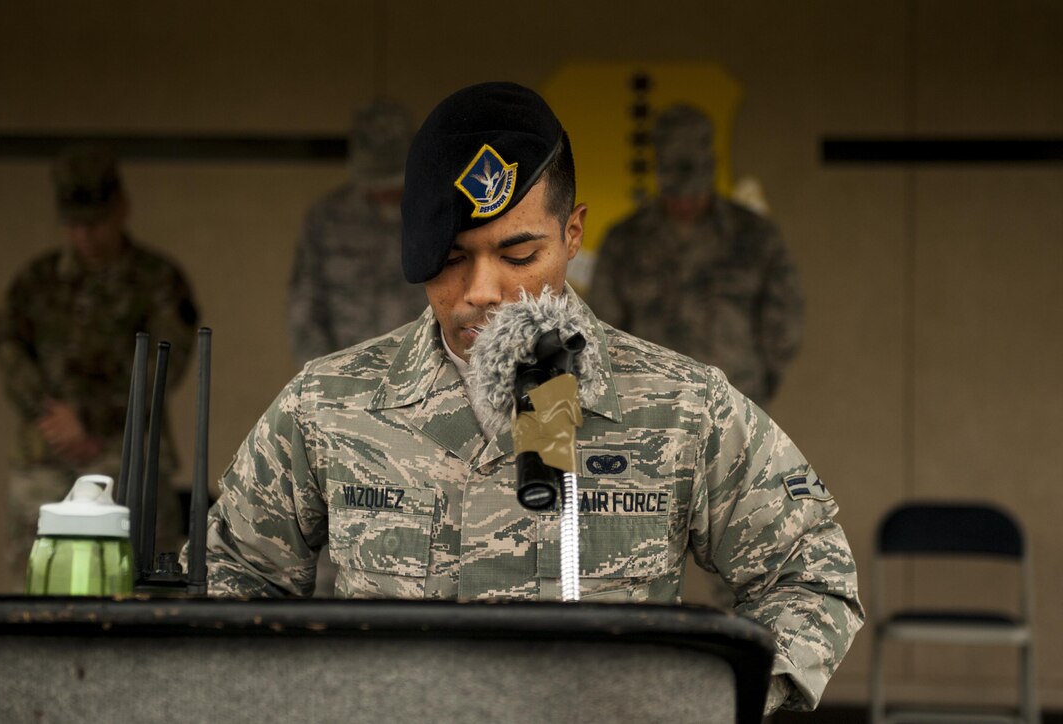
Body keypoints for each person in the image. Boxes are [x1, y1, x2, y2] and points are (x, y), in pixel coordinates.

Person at [197, 83, 862, 714]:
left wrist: (705, 705)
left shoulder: (682, 406)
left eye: (519, 254)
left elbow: (812, 573)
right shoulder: (330, 404)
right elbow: (232, 575)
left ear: (573, 234)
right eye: (453, 257)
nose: (483, 289)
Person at [0, 144, 198, 590]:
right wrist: (49, 414)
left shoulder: (157, 278)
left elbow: (167, 363)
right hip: (45, 457)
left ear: (122, 209)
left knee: (137, 582)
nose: (85, 236)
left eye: (96, 223)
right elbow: (5, 345)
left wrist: (88, 420)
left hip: (127, 458)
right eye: (74, 225)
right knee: (39, 586)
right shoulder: (37, 280)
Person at [586, 104, 804, 408]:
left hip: (737, 408)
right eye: (677, 194)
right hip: (650, 410)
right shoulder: (625, 241)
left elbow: (785, 321)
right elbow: (601, 329)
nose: (686, 204)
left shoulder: (754, 237)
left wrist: (759, 384)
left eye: (695, 193)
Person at [286, 99, 426, 368]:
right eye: (376, 182)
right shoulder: (327, 218)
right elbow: (303, 309)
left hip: (423, 379)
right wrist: (327, 375)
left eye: (394, 181)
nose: (384, 192)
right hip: (343, 382)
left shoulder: (435, 213)